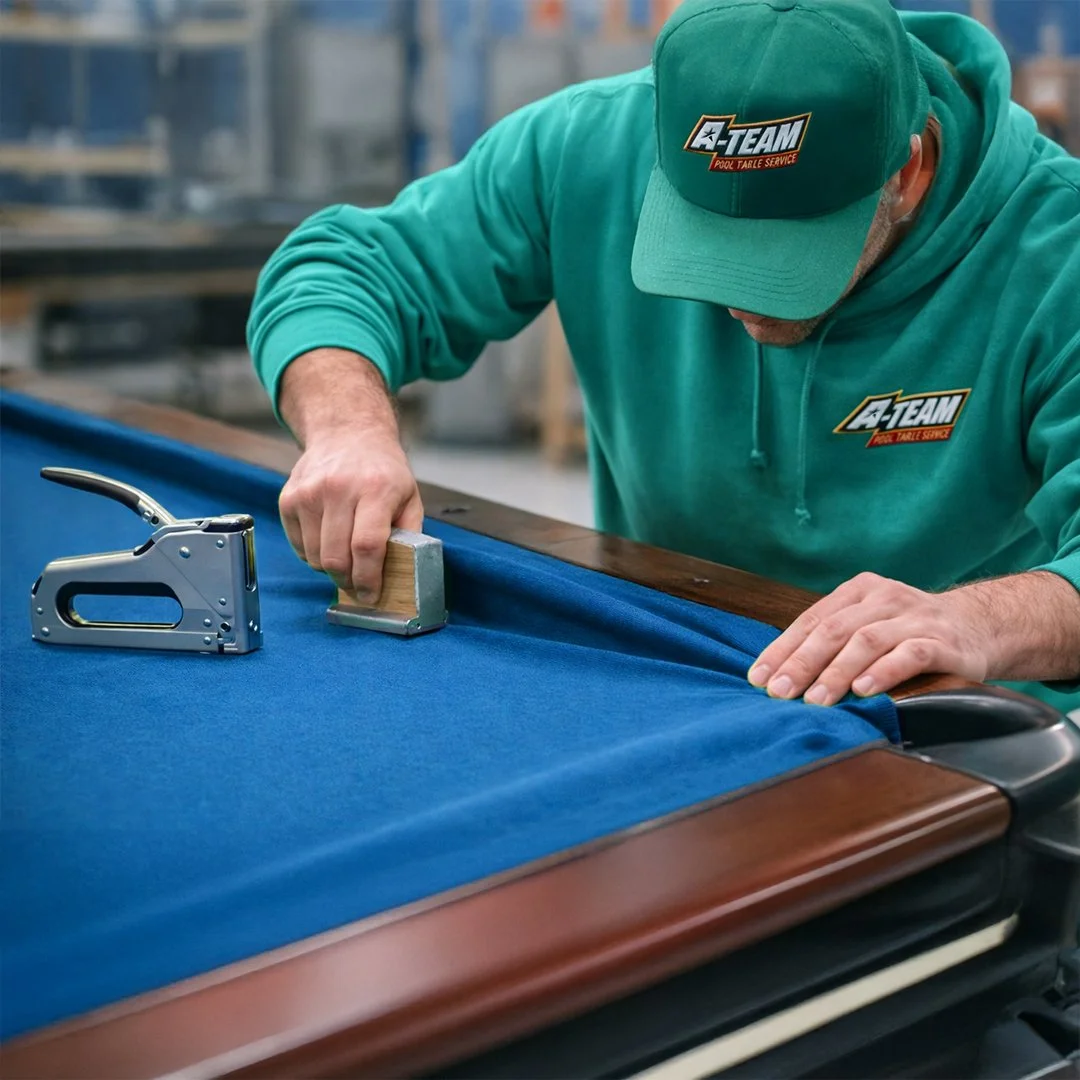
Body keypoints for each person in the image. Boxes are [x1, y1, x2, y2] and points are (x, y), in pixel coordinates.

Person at [247, 0, 1080, 710]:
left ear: (907, 169)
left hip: (951, 730)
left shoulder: (1055, 249)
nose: (742, 299)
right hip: (679, 681)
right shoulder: (588, 144)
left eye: (791, 252)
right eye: (708, 242)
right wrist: (347, 426)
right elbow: (347, 267)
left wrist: (978, 621)